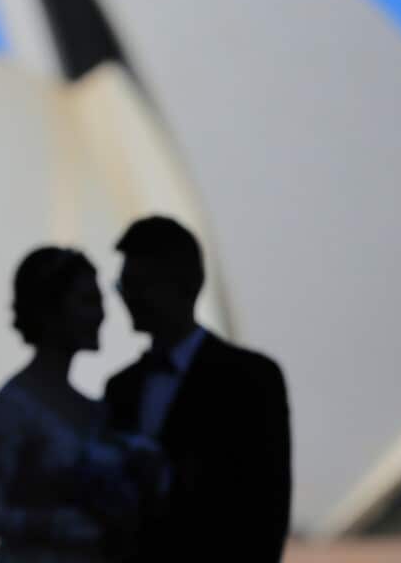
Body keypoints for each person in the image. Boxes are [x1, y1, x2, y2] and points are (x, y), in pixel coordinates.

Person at [104, 216, 291, 562]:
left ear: (185, 283)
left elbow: (269, 505)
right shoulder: (120, 388)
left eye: (137, 284)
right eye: (123, 285)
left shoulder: (251, 380)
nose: (126, 297)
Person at [0, 246, 164, 562]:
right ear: (50, 310)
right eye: (88, 301)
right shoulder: (12, 408)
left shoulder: (95, 409)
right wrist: (66, 525)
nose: (102, 314)